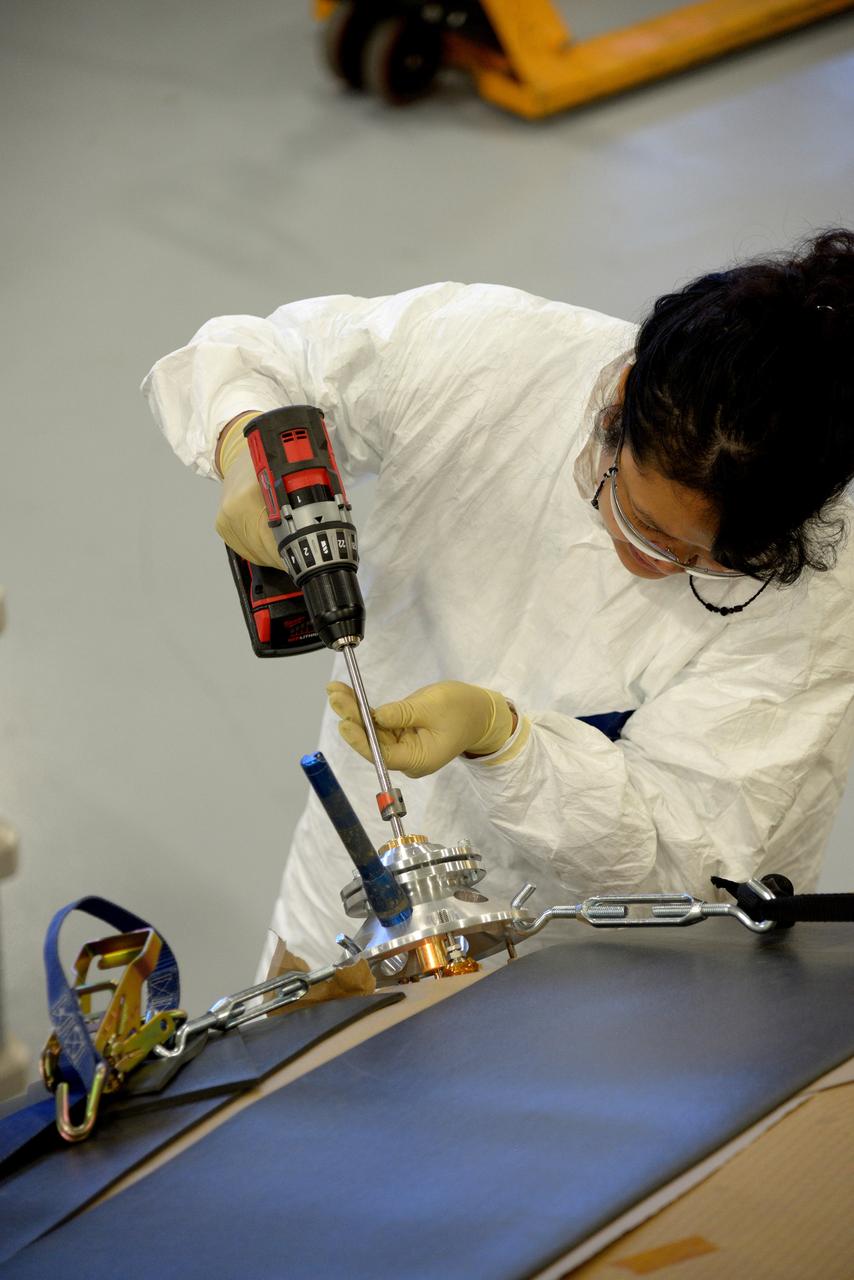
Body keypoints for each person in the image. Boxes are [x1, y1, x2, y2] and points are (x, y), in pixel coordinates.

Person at [143, 230, 854, 974]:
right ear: (616, 401)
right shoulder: (490, 361)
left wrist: (505, 740)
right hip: (355, 904)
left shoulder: (816, 604)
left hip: (600, 974)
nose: (659, 565)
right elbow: (262, 354)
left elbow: (684, 864)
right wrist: (243, 444)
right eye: (643, 523)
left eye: (712, 563)